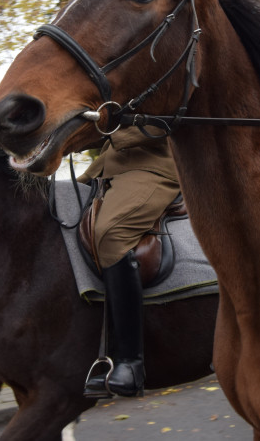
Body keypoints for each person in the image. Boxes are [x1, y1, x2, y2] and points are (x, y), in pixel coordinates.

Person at [78, 126, 180, 398]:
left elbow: (164, 120)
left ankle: (131, 365)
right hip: (109, 168)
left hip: (153, 168)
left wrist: (95, 132)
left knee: (111, 234)